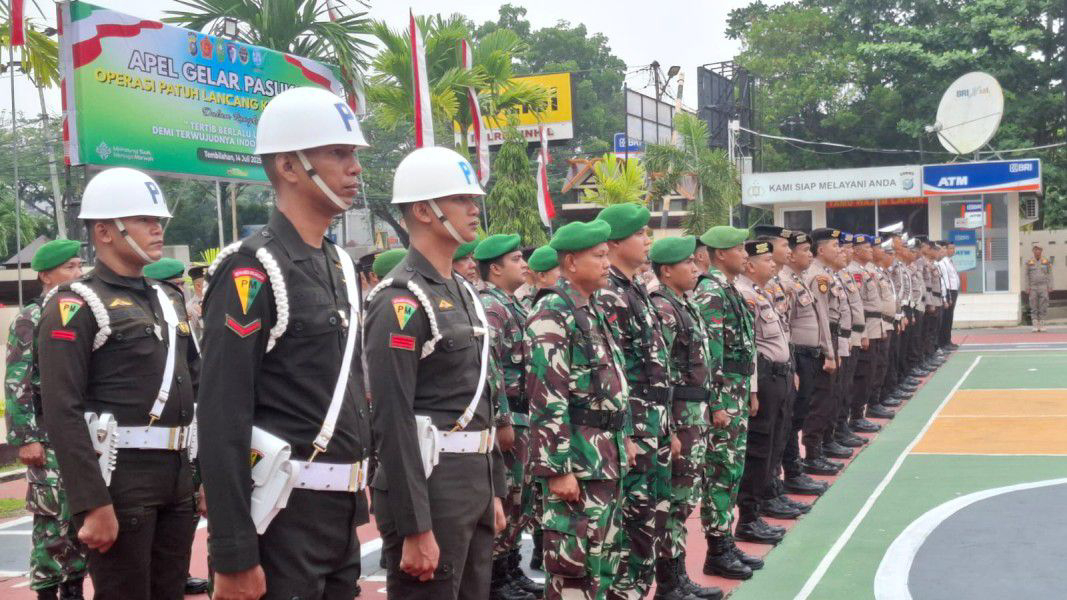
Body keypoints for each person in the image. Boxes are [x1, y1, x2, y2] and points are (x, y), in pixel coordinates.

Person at [198, 86, 372, 600]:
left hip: (339, 515)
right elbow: (222, 415)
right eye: (338, 153)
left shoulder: (338, 265)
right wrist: (234, 552)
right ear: (290, 166)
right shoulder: (251, 268)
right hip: (280, 519)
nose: (355, 168)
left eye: (353, 153)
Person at [37, 167, 199, 600]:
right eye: (144, 219)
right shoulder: (76, 304)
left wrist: (201, 479)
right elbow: (62, 409)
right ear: (105, 231)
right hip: (121, 482)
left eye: (158, 220)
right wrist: (91, 502)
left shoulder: (167, 298)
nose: (157, 228)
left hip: (178, 477)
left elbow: (196, 387)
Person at [364, 146, 506, 600]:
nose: (474, 208)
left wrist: (493, 488)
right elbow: (392, 418)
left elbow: (478, 396)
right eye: (461, 199)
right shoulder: (399, 300)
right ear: (424, 211)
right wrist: (415, 525)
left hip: (471, 480)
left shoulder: (462, 289)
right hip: (430, 483)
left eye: (473, 198)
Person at [525, 219, 629, 600]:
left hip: (605, 459)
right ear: (570, 262)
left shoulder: (591, 309)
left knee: (603, 568)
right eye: (599, 256)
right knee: (573, 574)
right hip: (578, 467)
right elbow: (546, 397)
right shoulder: (552, 311)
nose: (607, 263)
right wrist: (557, 470)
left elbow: (611, 385)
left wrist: (623, 438)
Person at [594, 203, 671, 599]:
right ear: (614, 244)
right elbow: (613, 372)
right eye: (639, 234)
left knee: (651, 516)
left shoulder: (633, 286)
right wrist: (628, 432)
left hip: (652, 420)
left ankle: (640, 589)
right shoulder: (609, 293)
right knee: (632, 520)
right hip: (633, 425)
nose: (647, 240)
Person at [6, 239, 87, 600]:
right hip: (45, 431)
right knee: (51, 516)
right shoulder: (32, 317)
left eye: (80, 265)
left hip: (79, 431)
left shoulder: (81, 312)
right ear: (45, 276)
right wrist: (26, 437)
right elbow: (17, 380)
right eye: (70, 267)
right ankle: (47, 589)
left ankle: (74, 587)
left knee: (81, 511)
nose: (78, 273)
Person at [648, 236, 723, 600]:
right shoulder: (663, 308)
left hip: (696, 413)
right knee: (675, 499)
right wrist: (671, 429)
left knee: (687, 495)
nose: (696, 269)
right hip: (680, 415)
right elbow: (659, 375)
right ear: (666, 270)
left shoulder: (683, 303)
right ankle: (668, 582)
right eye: (688, 264)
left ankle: (678, 577)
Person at [474, 234, 543, 600]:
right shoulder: (491, 306)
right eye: (516, 259)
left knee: (521, 500)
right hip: (510, 415)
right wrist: (501, 419)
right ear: (496, 268)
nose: (524, 264)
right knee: (510, 496)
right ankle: (495, 578)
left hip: (523, 413)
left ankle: (510, 567)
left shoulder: (510, 304)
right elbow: (489, 366)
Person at [693, 226, 764, 580]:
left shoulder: (728, 288)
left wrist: (747, 391)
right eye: (739, 248)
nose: (745, 254)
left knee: (732, 469)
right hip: (724, 396)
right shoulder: (710, 292)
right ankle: (717, 549)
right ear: (720, 254)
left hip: (736, 390)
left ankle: (725, 539)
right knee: (720, 470)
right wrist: (717, 402)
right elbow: (711, 353)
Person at [733, 240, 795, 546]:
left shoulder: (761, 292)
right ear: (750, 265)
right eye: (766, 260)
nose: (773, 264)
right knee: (759, 448)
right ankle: (748, 517)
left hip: (778, 376)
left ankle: (763, 504)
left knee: (775, 441)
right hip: (765, 378)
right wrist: (753, 390)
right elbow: (749, 347)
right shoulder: (744, 295)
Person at [778, 230, 832, 496]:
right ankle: (791, 472)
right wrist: (792, 365)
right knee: (790, 417)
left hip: (807, 355)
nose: (809, 255)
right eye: (804, 251)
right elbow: (784, 327)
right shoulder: (785, 283)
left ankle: (794, 469)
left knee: (797, 416)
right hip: (796, 357)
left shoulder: (797, 281)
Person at [799, 228, 843, 476]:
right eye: (834, 246)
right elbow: (823, 318)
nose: (839, 250)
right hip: (824, 340)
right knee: (820, 400)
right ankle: (813, 454)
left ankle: (822, 447)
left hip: (830, 337)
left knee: (828, 397)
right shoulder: (818, 277)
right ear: (822, 249)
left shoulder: (824, 274)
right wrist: (829, 352)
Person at [1025, 243, 1053, 332]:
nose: (1037, 251)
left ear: (1041, 251)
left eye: (1039, 249)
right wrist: (1027, 287)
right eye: (1035, 249)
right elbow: (1026, 275)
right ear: (1033, 251)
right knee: (1033, 305)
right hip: (1033, 287)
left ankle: (1042, 324)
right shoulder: (1029, 262)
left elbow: (1050, 274)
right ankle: (1035, 325)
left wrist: (1050, 286)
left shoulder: (1046, 261)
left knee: (1043, 305)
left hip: (1043, 286)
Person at [937, 243, 960, 345]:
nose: (953, 250)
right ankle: (945, 341)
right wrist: (948, 295)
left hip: (953, 291)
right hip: (949, 291)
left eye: (954, 248)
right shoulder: (943, 263)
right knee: (947, 318)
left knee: (949, 317)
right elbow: (946, 280)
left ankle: (948, 340)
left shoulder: (950, 261)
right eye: (951, 248)